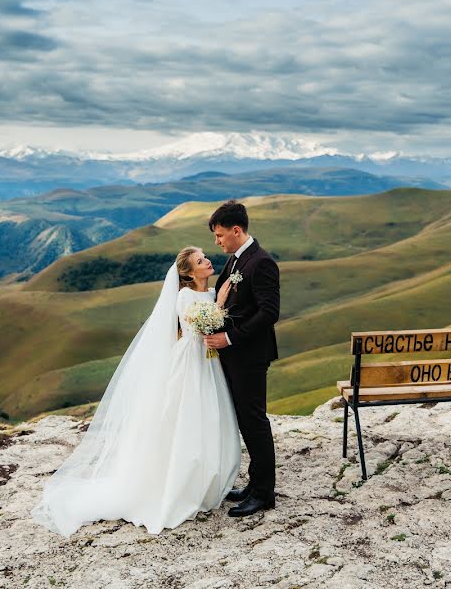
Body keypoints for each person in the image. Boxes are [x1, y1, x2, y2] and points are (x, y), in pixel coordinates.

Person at [31, 246, 241, 537]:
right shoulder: (184, 296)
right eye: (200, 260)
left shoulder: (210, 292)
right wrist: (218, 304)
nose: (208, 261)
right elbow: (199, 328)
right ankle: (180, 483)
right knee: (186, 418)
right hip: (190, 363)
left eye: (205, 257)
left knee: (212, 418)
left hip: (209, 365)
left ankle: (210, 478)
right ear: (189, 273)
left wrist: (216, 301)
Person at [205, 200, 280, 517]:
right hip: (234, 357)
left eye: (220, 235)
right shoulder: (236, 261)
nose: (217, 242)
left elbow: (269, 313)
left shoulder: (260, 262)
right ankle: (253, 484)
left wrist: (230, 337)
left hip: (249, 355)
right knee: (245, 421)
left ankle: (264, 493)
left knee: (255, 421)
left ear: (237, 230)